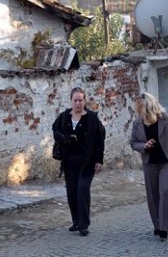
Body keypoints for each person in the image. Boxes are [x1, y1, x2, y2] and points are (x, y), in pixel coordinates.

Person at [130, 92, 168, 241]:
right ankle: (157, 225)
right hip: (150, 164)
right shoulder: (137, 123)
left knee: (164, 192)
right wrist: (144, 145)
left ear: (148, 106)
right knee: (152, 196)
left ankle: (163, 228)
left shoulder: (166, 120)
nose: (138, 110)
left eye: (140, 107)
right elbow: (133, 143)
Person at [52, 87, 105, 237]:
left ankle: (84, 224)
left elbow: (99, 139)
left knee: (82, 189)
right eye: (75, 100)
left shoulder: (91, 118)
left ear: (85, 101)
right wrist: (63, 138)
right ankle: (76, 221)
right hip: (69, 161)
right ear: (71, 101)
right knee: (72, 192)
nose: (78, 103)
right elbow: (55, 129)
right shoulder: (64, 117)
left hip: (87, 161)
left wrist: (99, 160)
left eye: (80, 100)